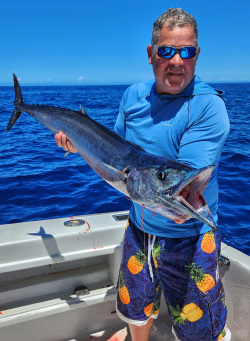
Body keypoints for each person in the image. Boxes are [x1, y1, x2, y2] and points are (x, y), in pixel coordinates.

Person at [55, 8, 231, 341]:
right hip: (139, 227)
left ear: (197, 54)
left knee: (198, 327)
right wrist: (78, 145)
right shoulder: (133, 97)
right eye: (166, 51)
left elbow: (184, 184)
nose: (177, 60)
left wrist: (162, 191)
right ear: (151, 55)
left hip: (191, 239)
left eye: (187, 51)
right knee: (135, 307)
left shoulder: (209, 108)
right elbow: (117, 152)